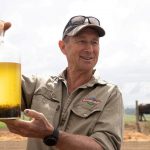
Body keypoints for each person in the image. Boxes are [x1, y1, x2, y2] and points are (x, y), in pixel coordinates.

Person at [1, 15, 124, 150]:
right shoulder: (38, 85)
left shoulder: (110, 94)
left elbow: (105, 147)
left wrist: (52, 135)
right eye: (82, 41)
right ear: (63, 47)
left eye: (94, 42)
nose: (89, 49)